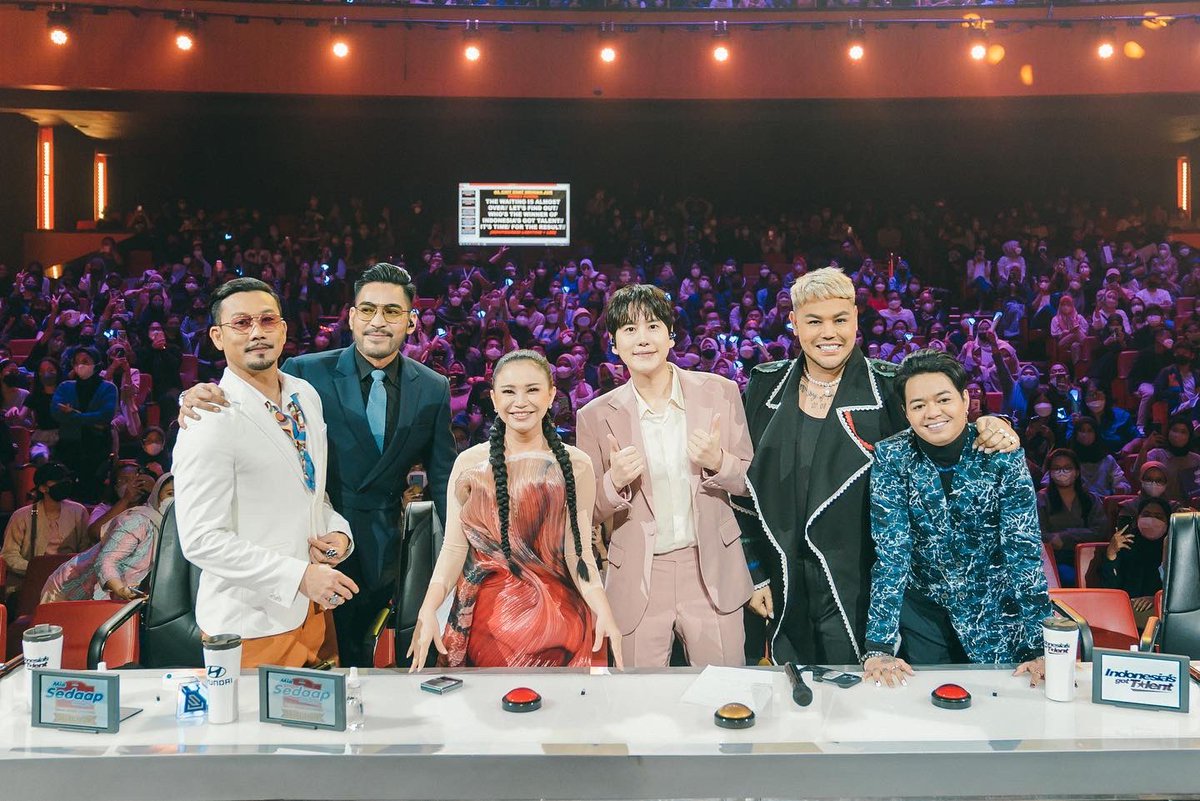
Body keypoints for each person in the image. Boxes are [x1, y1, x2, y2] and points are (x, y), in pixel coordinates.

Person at [736, 267, 1018, 665]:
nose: (829, 333)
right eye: (814, 322)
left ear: (856, 320)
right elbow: (742, 492)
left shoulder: (889, 386)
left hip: (866, 587)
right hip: (783, 583)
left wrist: (988, 425)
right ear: (794, 323)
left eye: (840, 320)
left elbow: (941, 440)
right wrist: (755, 574)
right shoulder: (764, 386)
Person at [180, 263, 456, 666]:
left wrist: (455, 556)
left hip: (364, 550)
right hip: (269, 598)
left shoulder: (302, 394)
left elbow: (310, 483)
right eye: (368, 310)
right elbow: (201, 536)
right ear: (351, 316)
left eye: (392, 311)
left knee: (350, 672)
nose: (378, 321)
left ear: (411, 321)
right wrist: (190, 398)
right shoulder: (305, 375)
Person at [174, 278, 358, 669]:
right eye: (241, 323)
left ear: (284, 329)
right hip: (250, 623)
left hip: (314, 611)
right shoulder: (209, 416)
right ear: (217, 337)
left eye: (267, 320)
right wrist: (298, 577)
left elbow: (311, 491)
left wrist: (338, 533)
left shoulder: (305, 396)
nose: (257, 332)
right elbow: (201, 539)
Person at [407, 350, 623, 670]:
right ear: (494, 399)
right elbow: (453, 550)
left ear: (551, 395)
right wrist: (428, 608)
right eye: (509, 391)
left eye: (532, 390)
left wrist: (602, 608)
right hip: (488, 625)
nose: (520, 402)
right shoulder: (469, 463)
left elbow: (578, 553)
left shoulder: (577, 464)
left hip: (562, 624)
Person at [576, 285, 754, 668]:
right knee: (639, 698)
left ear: (671, 336)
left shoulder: (720, 393)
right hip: (637, 577)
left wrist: (718, 462)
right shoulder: (593, 416)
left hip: (711, 569)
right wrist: (613, 482)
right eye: (629, 330)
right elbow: (585, 512)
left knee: (725, 693)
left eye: (653, 326)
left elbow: (749, 483)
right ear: (614, 344)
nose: (643, 339)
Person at [862, 350, 1049, 685]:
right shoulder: (892, 456)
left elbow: (1023, 552)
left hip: (995, 611)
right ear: (905, 412)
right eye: (918, 405)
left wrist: (1040, 646)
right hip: (924, 614)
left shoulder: (1002, 454)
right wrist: (879, 646)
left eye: (943, 399)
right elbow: (892, 553)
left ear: (965, 400)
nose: (932, 412)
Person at [42, 473, 174, 602]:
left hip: (119, 598)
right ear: (156, 495)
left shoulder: (173, 529)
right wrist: (120, 589)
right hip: (70, 591)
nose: (175, 499)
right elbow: (107, 561)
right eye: (170, 494)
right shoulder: (138, 521)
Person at [1, 462, 91, 598]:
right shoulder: (22, 516)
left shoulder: (78, 511)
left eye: (65, 480)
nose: (64, 483)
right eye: (58, 481)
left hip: (68, 581)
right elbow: (9, 554)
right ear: (43, 488)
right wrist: (36, 569)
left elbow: (86, 548)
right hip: (31, 582)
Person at [1037, 448, 1111, 585]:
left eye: (1067, 468)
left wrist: (1065, 537)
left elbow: (1100, 531)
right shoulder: (1041, 499)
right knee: (1068, 577)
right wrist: (1053, 539)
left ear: (1076, 472)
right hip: (1056, 558)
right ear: (1050, 473)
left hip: (1091, 558)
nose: (1062, 472)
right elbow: (1038, 533)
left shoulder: (1090, 499)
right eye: (1057, 468)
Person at [51, 347, 117, 503]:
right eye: (76, 362)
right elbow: (56, 412)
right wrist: (91, 420)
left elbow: (105, 415)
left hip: (97, 446)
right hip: (68, 444)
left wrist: (74, 414)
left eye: (85, 361)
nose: (80, 365)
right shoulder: (65, 387)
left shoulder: (108, 388)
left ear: (96, 363)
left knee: (91, 491)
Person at [1100, 496, 1169, 627]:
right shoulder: (1125, 543)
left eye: (1158, 516)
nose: (1152, 520)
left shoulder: (1173, 546)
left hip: (1161, 609)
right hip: (1125, 607)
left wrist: (1156, 598)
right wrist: (1111, 553)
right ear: (1138, 518)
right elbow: (1109, 587)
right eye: (1146, 515)